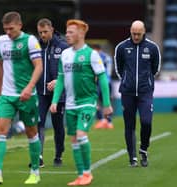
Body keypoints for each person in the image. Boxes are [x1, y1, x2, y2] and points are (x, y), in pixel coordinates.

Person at [0, 11, 43, 184]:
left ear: (20, 26)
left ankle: (35, 172)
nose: (8, 32)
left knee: (32, 133)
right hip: (7, 96)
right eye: (5, 29)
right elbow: (0, 66)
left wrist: (29, 87)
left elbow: (39, 66)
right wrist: (0, 90)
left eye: (11, 28)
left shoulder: (30, 41)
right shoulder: (2, 41)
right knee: (0, 130)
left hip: (27, 96)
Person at [50, 19, 113, 186]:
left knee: (81, 135)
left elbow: (103, 79)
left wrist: (106, 103)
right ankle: (80, 175)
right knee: (74, 140)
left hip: (87, 102)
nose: (67, 35)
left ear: (81, 34)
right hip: (70, 105)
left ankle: (87, 173)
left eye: (71, 32)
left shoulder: (92, 55)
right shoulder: (65, 55)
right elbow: (61, 79)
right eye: (67, 32)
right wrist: (55, 101)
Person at [114, 20, 161, 167]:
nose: (135, 36)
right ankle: (132, 157)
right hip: (127, 92)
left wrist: (145, 81)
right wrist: (128, 80)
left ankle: (144, 150)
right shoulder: (121, 47)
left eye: (138, 34)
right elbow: (119, 68)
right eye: (133, 33)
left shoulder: (152, 48)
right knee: (129, 125)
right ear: (130, 31)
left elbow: (155, 69)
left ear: (144, 31)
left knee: (146, 122)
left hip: (145, 92)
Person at [32, 18, 69, 168]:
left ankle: (58, 154)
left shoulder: (63, 47)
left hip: (58, 94)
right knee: (38, 122)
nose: (43, 35)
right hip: (40, 93)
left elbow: (69, 70)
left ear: (52, 30)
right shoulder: (35, 47)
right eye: (40, 32)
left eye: (45, 32)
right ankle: (38, 156)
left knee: (57, 125)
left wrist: (58, 81)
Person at [92, 44, 114, 129]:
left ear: (98, 49)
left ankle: (108, 121)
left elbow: (108, 72)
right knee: (95, 102)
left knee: (105, 102)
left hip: (105, 82)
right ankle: (101, 120)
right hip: (95, 83)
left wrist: (105, 80)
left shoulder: (106, 58)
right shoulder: (92, 57)